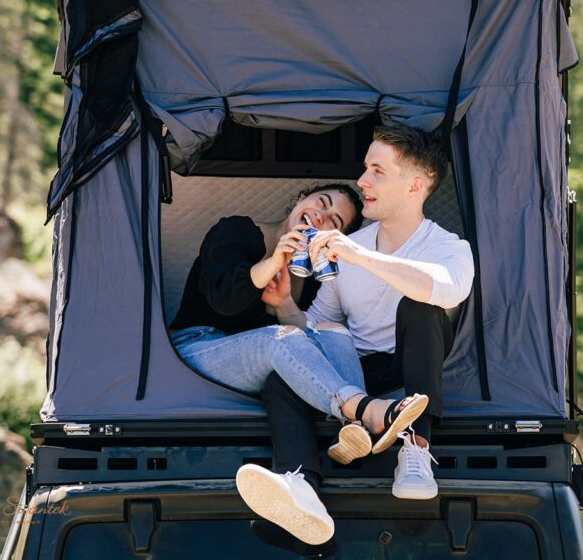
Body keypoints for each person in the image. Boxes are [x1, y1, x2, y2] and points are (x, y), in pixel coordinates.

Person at [238, 123, 474, 545]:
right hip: (358, 373)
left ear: (415, 185)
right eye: (365, 168)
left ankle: (416, 450)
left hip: (412, 367)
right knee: (282, 375)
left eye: (377, 171)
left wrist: (361, 257)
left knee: (421, 305)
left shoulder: (448, 248)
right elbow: (318, 328)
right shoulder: (349, 249)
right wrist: (285, 307)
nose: (363, 181)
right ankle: (301, 488)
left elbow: (445, 288)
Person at [168, 183, 431, 545]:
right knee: (283, 340)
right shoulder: (239, 229)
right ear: (299, 199)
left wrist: (284, 306)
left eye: (334, 221)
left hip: (257, 357)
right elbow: (224, 298)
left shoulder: (304, 274)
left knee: (331, 329)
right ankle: (364, 412)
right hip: (199, 344)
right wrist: (274, 260)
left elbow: (306, 340)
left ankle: (339, 447)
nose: (320, 216)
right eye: (321, 203)